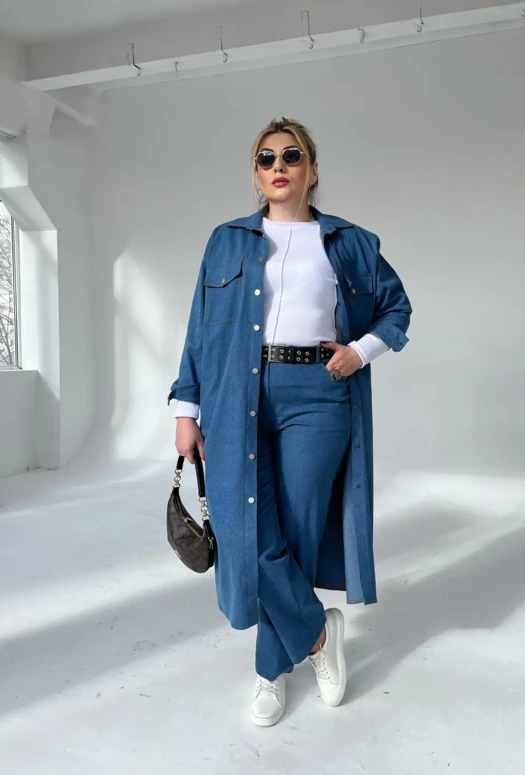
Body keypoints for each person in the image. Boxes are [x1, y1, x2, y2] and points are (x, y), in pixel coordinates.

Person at [169, 117, 412, 727]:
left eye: (291, 155)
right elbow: (199, 330)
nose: (278, 165)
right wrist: (186, 409)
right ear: (256, 174)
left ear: (312, 169)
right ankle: (317, 633)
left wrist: (360, 352)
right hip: (236, 395)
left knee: (296, 535)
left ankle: (269, 672)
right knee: (245, 535)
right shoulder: (227, 241)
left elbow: (396, 309)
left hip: (318, 397)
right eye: (266, 157)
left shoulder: (350, 242)